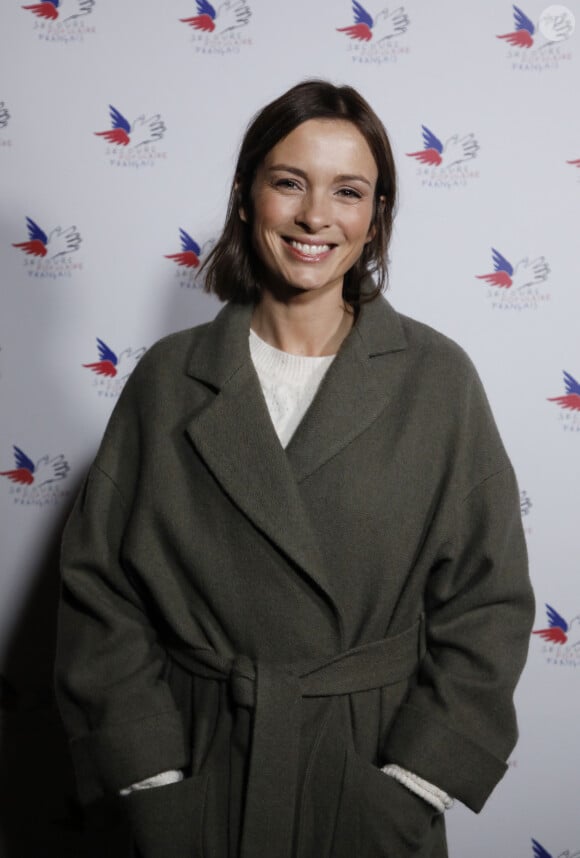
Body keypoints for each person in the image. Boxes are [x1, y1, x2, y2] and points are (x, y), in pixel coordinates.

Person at [55, 80, 535, 858]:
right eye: (290, 183)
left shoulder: (437, 379)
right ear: (247, 198)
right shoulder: (169, 378)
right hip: (199, 770)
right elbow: (99, 592)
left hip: (367, 776)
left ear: (375, 216)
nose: (317, 217)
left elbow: (490, 603)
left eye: (349, 192)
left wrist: (411, 787)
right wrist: (150, 784)